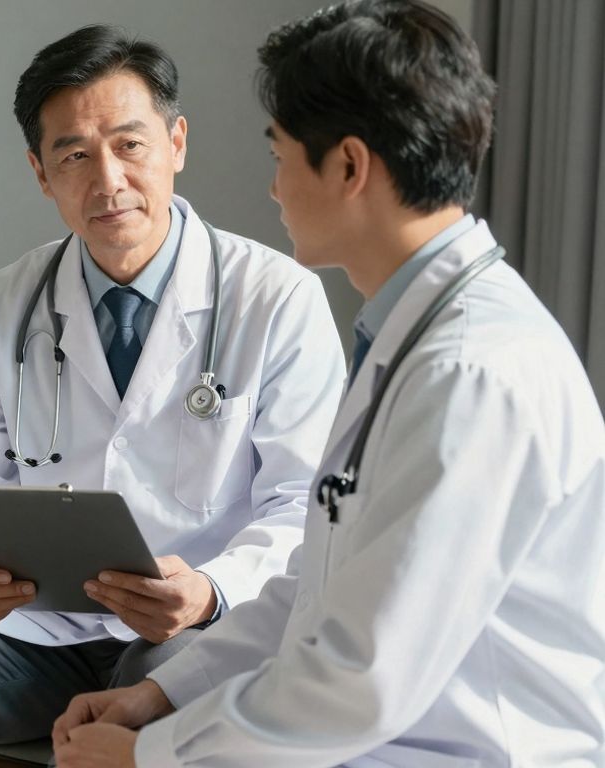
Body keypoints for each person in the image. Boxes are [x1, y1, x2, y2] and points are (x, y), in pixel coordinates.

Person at [51, 2, 605, 766]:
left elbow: (362, 677)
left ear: (348, 166)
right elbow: (318, 588)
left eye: (280, 156)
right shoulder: (414, 338)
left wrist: (152, 756)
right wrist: (164, 696)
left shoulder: (469, 372)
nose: (273, 189)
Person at [0, 25, 347, 766]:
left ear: (177, 143)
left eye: (130, 144)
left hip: (193, 632)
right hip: (37, 636)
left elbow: (306, 507)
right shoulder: (3, 306)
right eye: (75, 155)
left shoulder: (275, 299)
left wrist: (212, 589)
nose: (107, 179)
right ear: (40, 173)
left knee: (165, 688)